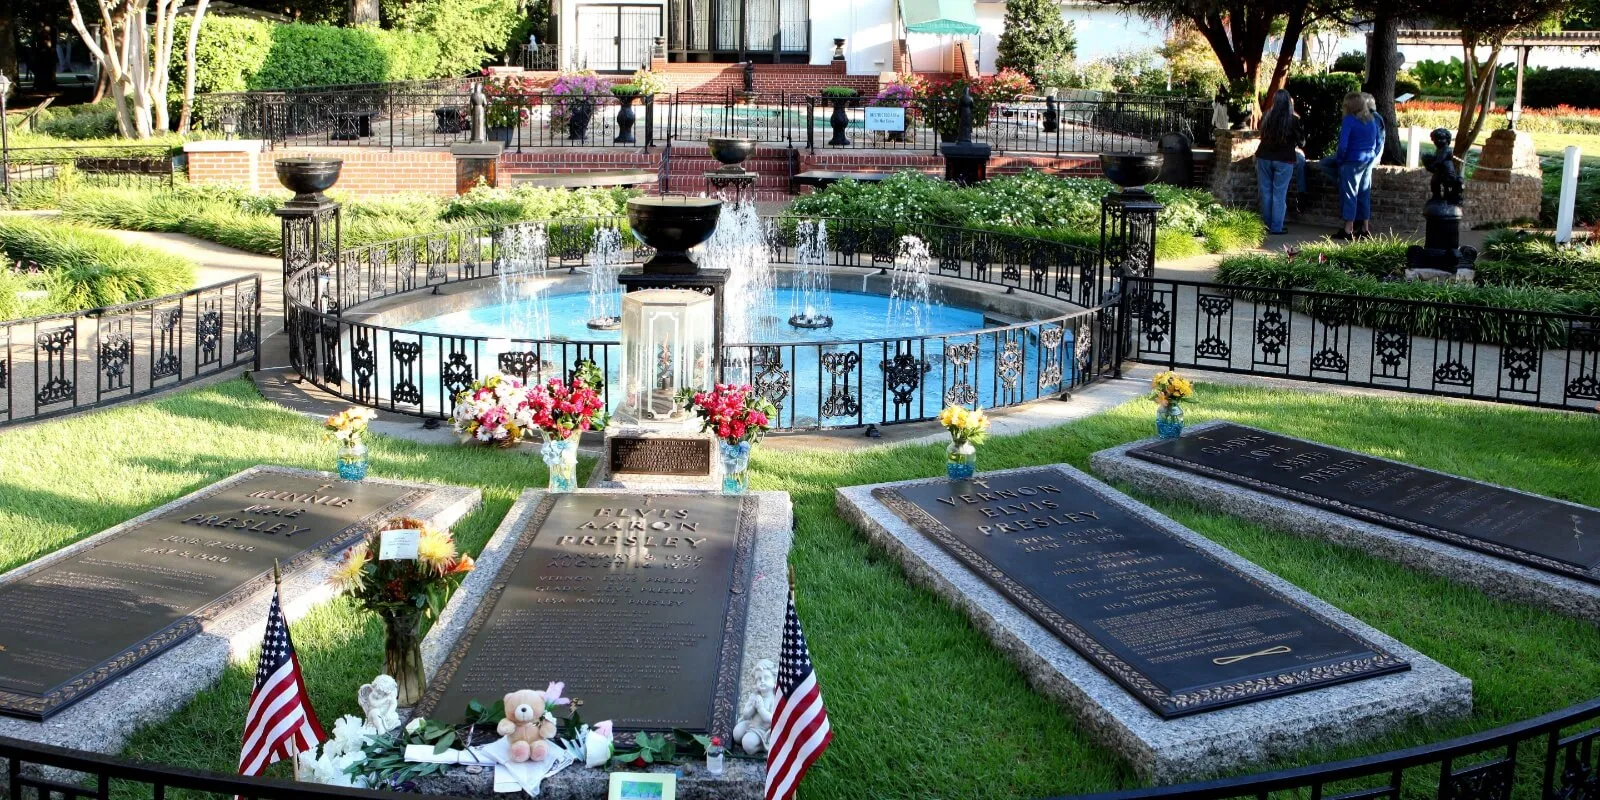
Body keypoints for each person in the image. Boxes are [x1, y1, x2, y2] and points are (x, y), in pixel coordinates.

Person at [1330, 91, 1382, 240]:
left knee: (1350, 194)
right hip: (1367, 160)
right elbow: (1378, 142)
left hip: (1352, 161)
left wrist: (1340, 160)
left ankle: (1348, 229)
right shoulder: (1371, 120)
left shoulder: (1349, 120)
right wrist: (1372, 156)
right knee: (1364, 194)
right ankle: (1365, 228)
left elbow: (1343, 145)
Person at [1255, 90, 1303, 235]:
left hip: (1264, 156)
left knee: (1266, 192)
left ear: (1274, 101)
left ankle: (1267, 225)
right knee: (1279, 194)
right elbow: (1301, 141)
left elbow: (1260, 131)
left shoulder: (1266, 116)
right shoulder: (1293, 120)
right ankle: (1276, 227)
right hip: (1284, 159)